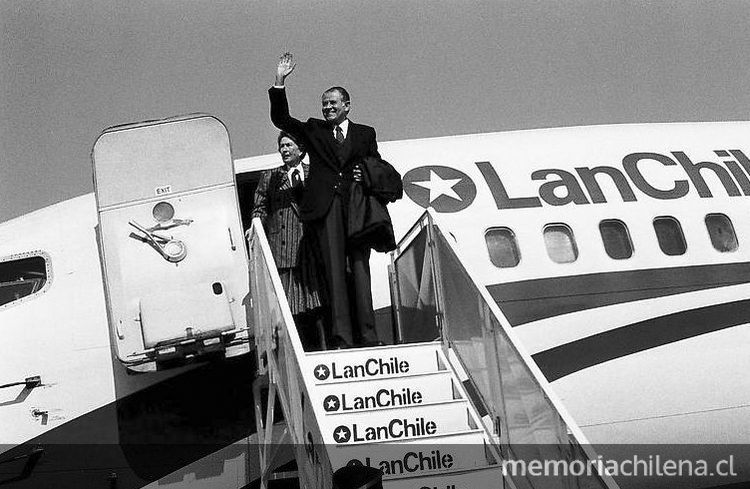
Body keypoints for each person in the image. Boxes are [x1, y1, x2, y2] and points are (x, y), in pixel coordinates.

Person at [268, 52, 380, 348]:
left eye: (333, 103)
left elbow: (376, 166)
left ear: (347, 106)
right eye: (324, 104)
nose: (328, 107)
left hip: (357, 211)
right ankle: (342, 338)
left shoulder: (365, 133)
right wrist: (279, 82)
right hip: (327, 212)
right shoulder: (315, 130)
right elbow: (281, 118)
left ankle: (369, 336)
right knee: (334, 276)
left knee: (360, 273)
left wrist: (366, 180)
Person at [251, 131, 326, 350]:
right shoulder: (270, 176)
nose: (284, 150)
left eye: (288, 145)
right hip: (282, 248)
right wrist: (255, 224)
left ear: (300, 149)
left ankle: (321, 350)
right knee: (288, 308)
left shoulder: (314, 174)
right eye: (281, 146)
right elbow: (260, 206)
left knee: (314, 306)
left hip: (309, 248)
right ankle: (295, 350)